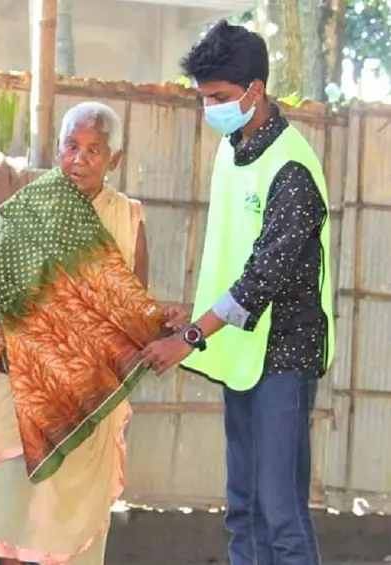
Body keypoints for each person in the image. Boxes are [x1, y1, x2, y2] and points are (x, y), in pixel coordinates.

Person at [141, 20, 335, 565]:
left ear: (255, 89)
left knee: (281, 513)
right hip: (241, 353)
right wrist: (195, 312)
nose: (211, 110)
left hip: (285, 354)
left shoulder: (291, 166)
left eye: (219, 98)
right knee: (243, 509)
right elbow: (231, 253)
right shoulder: (235, 149)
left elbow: (263, 274)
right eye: (203, 98)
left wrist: (192, 334)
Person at [0, 101, 162, 565]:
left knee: (62, 537)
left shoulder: (129, 218)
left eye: (93, 150)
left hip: (86, 400)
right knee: (4, 520)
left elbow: (133, 311)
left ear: (115, 160)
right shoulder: (28, 209)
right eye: (71, 147)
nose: (79, 160)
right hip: (21, 387)